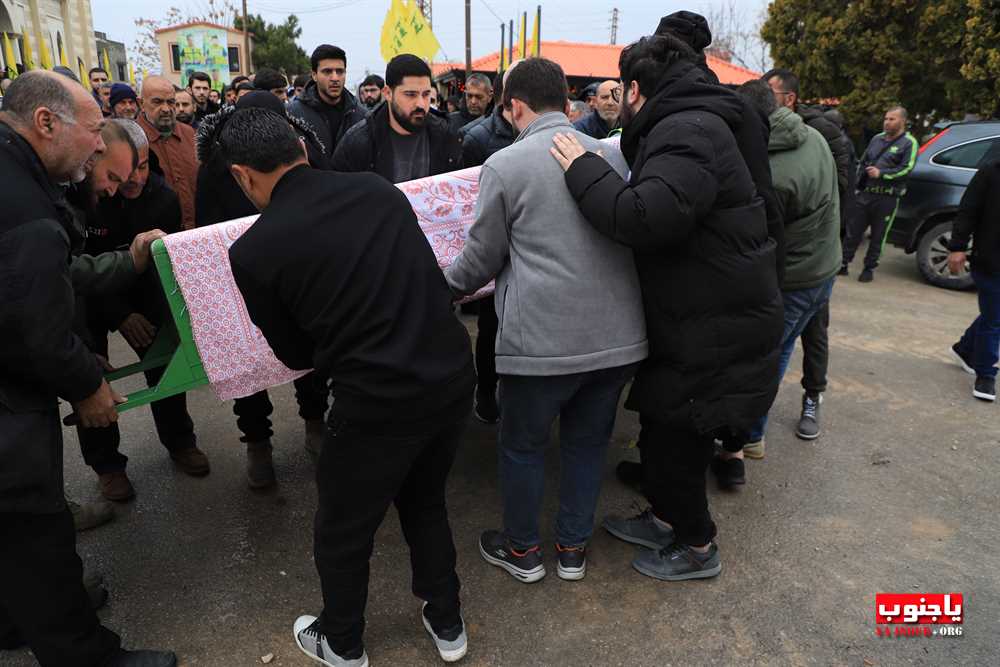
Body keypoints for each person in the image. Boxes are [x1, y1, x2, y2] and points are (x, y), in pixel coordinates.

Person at [206, 106, 474, 666]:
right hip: (450, 376)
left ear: (241, 175)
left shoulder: (253, 251)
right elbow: (428, 279)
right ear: (301, 149)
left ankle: (343, 643)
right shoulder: (377, 192)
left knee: (343, 530)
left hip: (375, 402)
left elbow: (297, 354)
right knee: (425, 502)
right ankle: (447, 622)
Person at [551, 34, 782, 581]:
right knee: (658, 428)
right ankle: (663, 517)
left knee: (678, 440)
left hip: (714, 326)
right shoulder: (688, 122)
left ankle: (698, 545)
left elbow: (644, 217)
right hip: (694, 314)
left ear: (634, 90)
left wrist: (584, 170)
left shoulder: (688, 131)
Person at [0, 69, 177, 667]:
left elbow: (52, 274)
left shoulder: (18, 176)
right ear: (46, 123)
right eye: (96, 132)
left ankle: (14, 616)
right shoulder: (23, 203)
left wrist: (124, 262)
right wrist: (86, 382)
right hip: (7, 405)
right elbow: (40, 332)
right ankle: (84, 655)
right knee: (35, 529)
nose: (103, 146)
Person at [446, 58, 647, 583]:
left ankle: (522, 552)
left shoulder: (507, 165)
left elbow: (480, 260)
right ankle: (572, 550)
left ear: (513, 106)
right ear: (568, 100)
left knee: (522, 447)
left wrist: (438, 286)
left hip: (540, 343)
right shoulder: (611, 155)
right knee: (586, 446)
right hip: (615, 340)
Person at [195, 91, 332, 488]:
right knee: (245, 360)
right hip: (242, 274)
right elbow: (206, 230)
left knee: (307, 351)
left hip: (300, 268)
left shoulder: (304, 151)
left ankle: (314, 421)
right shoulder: (216, 167)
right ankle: (257, 442)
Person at [72, 119, 208, 500]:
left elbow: (159, 268)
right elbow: (79, 269)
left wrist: (149, 315)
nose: (134, 177)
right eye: (127, 169)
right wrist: (119, 316)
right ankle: (108, 466)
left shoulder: (163, 199)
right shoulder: (89, 195)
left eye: (144, 166)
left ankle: (180, 442)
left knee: (165, 367)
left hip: (145, 296)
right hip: (91, 301)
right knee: (90, 379)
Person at [733, 80, 840, 483]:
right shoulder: (812, 135)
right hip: (823, 268)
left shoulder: (772, 170)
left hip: (796, 276)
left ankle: (750, 438)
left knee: (770, 355)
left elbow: (760, 235)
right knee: (787, 344)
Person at [761, 69, 851, 442]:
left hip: (818, 254)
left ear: (789, 98)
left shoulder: (824, 134)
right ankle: (752, 431)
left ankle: (812, 396)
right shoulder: (774, 136)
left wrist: (825, 243)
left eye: (770, 94)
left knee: (815, 333)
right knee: (782, 341)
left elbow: (843, 192)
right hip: (803, 256)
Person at [458, 64, 518, 424]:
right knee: (491, 326)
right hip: (490, 242)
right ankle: (485, 390)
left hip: (525, 243)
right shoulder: (476, 138)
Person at [334, 54, 461, 183]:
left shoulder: (445, 135)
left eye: (426, 94)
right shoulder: (358, 142)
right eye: (410, 95)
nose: (421, 104)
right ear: (388, 93)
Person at [841, 105, 918, 282]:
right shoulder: (877, 139)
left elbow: (906, 169)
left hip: (887, 197)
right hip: (866, 193)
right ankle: (843, 263)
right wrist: (859, 183)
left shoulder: (909, 143)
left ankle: (869, 268)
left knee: (878, 235)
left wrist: (882, 174)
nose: (887, 122)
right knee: (853, 231)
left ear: (903, 121)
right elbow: (864, 160)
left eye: (892, 119)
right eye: (886, 118)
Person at [948, 153, 1000, 401]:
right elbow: (968, 210)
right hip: (991, 259)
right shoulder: (991, 170)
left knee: (993, 313)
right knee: (995, 320)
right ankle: (986, 374)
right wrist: (957, 246)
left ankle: (965, 349)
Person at [138, 75, 199, 229]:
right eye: (157, 102)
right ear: (141, 104)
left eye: (171, 102)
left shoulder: (190, 134)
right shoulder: (131, 140)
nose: (166, 109)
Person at [287, 44, 366, 160]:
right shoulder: (293, 114)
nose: (335, 78)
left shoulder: (361, 115)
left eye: (340, 71)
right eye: (327, 72)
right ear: (314, 75)